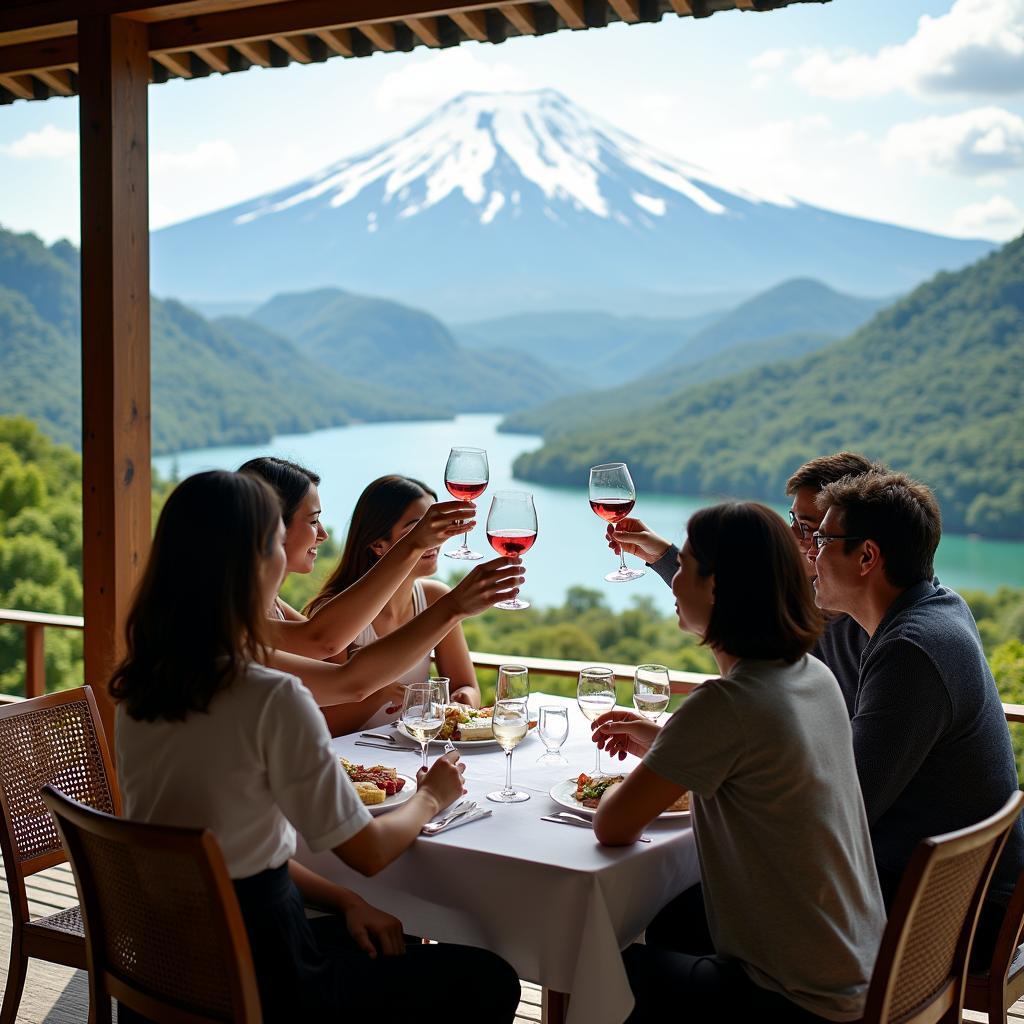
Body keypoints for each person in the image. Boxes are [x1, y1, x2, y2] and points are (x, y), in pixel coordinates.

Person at [111, 471, 521, 1023]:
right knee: (487, 979)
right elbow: (370, 852)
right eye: (280, 542)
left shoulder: (140, 685)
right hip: (268, 982)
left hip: (168, 965)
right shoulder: (269, 697)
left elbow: (236, 852)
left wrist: (347, 901)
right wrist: (431, 797)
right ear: (255, 562)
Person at [590, 502, 885, 1022]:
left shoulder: (725, 703)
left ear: (718, 588)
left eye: (682, 567)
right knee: (673, 918)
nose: (673, 582)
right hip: (859, 968)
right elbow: (760, 759)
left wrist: (665, 751)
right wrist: (667, 742)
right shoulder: (812, 674)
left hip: (796, 998)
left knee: (595, 964)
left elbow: (611, 826)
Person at [811, 470, 1024, 965]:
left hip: (958, 919)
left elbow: (845, 814)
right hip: (960, 890)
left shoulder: (910, 650)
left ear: (866, 557)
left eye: (822, 539)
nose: (811, 554)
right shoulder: (937, 608)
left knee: (692, 911)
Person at [239, 457, 521, 734]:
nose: (323, 534)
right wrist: (452, 603)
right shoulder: (227, 626)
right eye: (313, 521)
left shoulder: (270, 610)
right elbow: (332, 656)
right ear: (267, 531)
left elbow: (332, 655)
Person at [603, 451, 882, 708]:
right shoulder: (801, 595)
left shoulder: (880, 634)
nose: (791, 534)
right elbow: (728, 608)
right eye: (792, 519)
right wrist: (660, 554)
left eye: (807, 528)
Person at [306, 475, 481, 730]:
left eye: (435, 527)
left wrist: (464, 700)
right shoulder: (336, 614)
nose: (436, 540)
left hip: (413, 750)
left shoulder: (436, 598)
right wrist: (380, 693)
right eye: (417, 530)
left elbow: (467, 685)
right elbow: (325, 725)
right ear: (378, 544)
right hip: (357, 759)